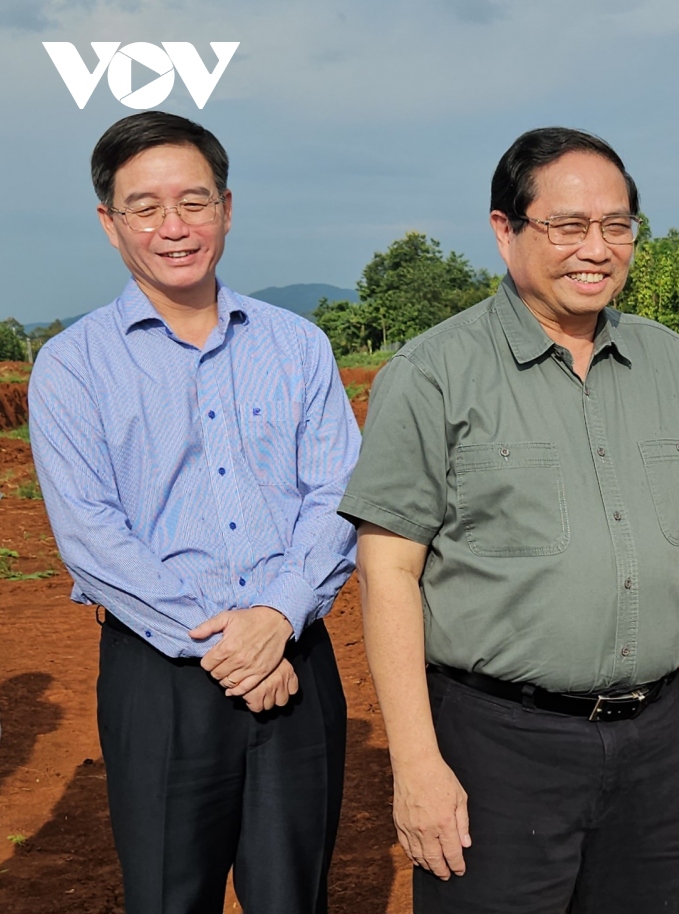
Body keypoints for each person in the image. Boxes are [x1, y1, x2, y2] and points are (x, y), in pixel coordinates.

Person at [338, 126, 679, 914]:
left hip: (655, 742)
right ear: (506, 230)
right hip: (500, 744)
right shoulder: (433, 376)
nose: (595, 249)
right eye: (568, 226)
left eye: (617, 226)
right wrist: (417, 764)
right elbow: (388, 568)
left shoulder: (670, 363)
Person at [28, 112, 359, 914]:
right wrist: (235, 646)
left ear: (228, 208)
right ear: (110, 223)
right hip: (161, 668)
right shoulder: (72, 366)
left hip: (296, 658)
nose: (174, 228)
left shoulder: (298, 346)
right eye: (145, 207)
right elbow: (91, 538)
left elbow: (340, 497)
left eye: (194, 202)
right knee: (170, 895)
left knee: (294, 897)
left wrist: (276, 617)